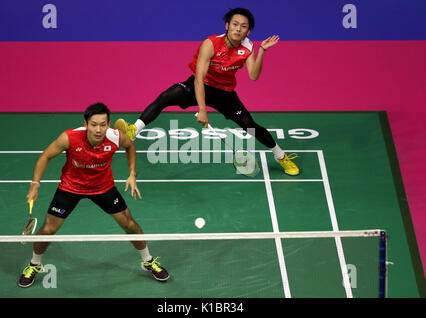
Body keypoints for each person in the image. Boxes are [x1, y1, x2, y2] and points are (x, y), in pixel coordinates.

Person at [115, 8, 299, 176]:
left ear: (248, 31)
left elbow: (253, 76)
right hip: (201, 85)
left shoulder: (248, 47)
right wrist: (202, 109)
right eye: (234, 24)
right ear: (227, 25)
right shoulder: (210, 44)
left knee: (250, 126)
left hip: (225, 94)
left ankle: (280, 155)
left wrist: (262, 52)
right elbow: (198, 79)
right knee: (166, 96)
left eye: (243, 27)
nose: (238, 29)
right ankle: (134, 130)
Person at [18, 103, 169, 288]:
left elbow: (130, 146)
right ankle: (35, 264)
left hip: (103, 187)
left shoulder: (115, 137)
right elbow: (45, 156)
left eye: (103, 124)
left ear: (108, 124)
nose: (98, 129)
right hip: (71, 187)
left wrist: (132, 173)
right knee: (48, 230)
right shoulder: (69, 137)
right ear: (86, 124)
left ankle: (147, 260)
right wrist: (35, 185)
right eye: (94, 124)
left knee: (130, 225)